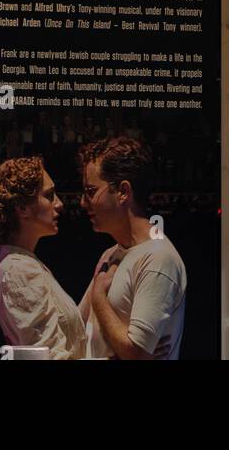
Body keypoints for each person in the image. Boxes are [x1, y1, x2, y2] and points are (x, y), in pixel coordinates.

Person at [79, 136, 186, 360]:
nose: (82, 202)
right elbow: (79, 328)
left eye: (90, 191)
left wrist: (99, 298)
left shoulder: (159, 258)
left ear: (123, 192)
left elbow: (136, 353)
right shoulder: (111, 254)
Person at [0, 155, 87, 360]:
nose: (59, 204)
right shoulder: (19, 270)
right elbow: (52, 356)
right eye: (49, 195)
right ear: (22, 208)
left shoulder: (24, 263)